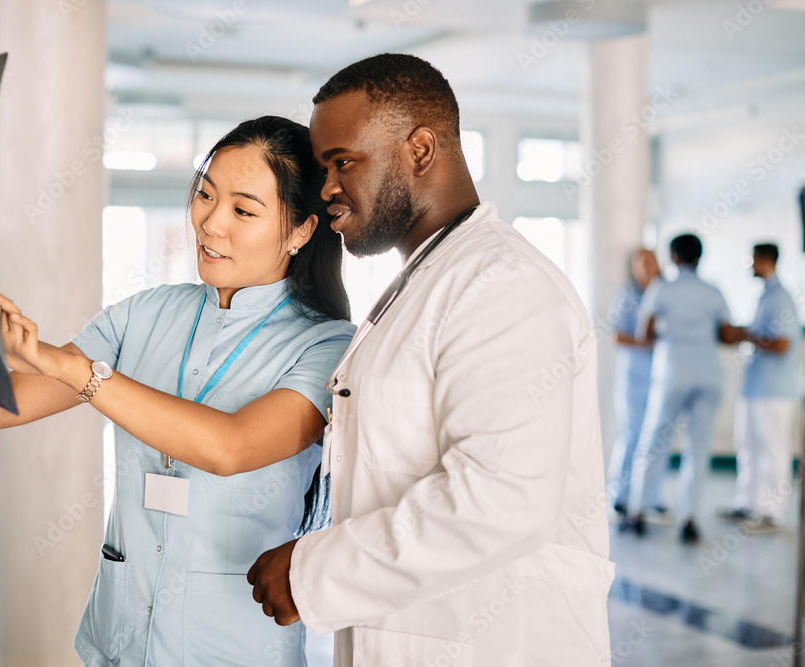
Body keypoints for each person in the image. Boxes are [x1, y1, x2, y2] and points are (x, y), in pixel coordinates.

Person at [0, 116, 356, 667]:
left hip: (232, 647)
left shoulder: (328, 345)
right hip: (119, 641)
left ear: (301, 230)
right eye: (205, 195)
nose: (210, 222)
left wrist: (79, 373)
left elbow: (230, 447)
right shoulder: (146, 313)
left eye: (243, 210)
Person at [247, 54, 614, 666]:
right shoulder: (428, 280)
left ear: (420, 150)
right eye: (323, 167)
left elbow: (501, 500)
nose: (328, 187)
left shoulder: (502, 284)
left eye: (342, 162)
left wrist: (313, 573)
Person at [625, 233, 735, 543]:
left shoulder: (662, 289)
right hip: (709, 375)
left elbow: (644, 333)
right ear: (700, 257)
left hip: (673, 373)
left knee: (654, 441)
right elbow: (727, 335)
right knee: (698, 448)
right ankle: (689, 519)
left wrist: (672, 331)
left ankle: (637, 512)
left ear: (674, 257)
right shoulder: (713, 291)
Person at [718, 243, 800, 531]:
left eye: (752, 260)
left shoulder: (781, 298)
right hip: (756, 388)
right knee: (749, 446)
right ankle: (747, 503)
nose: (750, 265)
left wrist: (745, 335)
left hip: (775, 391)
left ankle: (770, 513)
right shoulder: (766, 295)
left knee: (773, 449)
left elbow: (782, 343)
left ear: (765, 260)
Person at [606, 248, 670, 524]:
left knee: (657, 440)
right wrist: (645, 343)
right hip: (634, 378)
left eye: (652, 261)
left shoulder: (666, 292)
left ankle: (649, 500)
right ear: (634, 267)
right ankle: (620, 497)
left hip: (663, 377)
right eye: (642, 263)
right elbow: (616, 335)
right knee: (631, 435)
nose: (648, 267)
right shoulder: (627, 295)